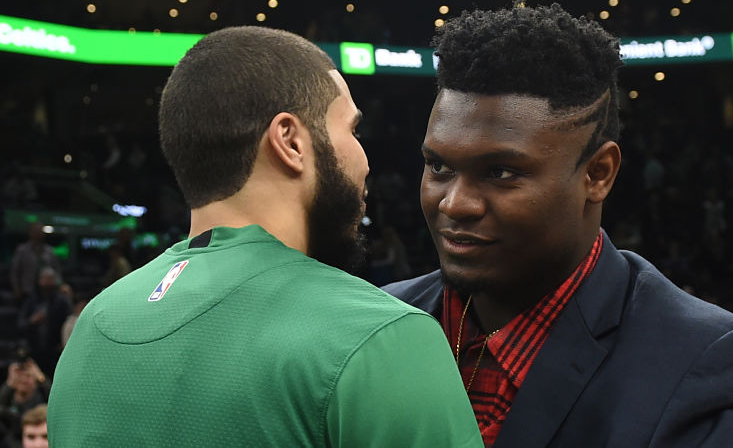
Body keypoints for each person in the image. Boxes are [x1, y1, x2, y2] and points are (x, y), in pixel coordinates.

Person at [47, 26, 481, 447]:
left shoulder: (90, 330)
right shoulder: (382, 333)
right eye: (352, 130)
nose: (365, 160)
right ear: (290, 141)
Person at [382, 3, 733, 447]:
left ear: (598, 174)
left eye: (500, 172)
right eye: (438, 165)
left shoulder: (709, 365)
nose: (455, 203)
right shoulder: (377, 323)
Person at [0, 359, 50, 448]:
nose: (23, 379)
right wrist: (9, 384)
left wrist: (41, 378)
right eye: (19, 376)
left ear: (35, 381)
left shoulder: (43, 400)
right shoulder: (7, 403)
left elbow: (57, 406)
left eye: (28, 376)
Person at [9, 223, 61, 304]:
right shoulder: (22, 250)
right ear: (30, 233)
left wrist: (58, 286)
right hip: (27, 290)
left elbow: (57, 271)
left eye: (40, 231)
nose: (39, 233)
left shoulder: (49, 251)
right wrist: (17, 289)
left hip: (47, 290)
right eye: (36, 231)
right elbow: (15, 271)